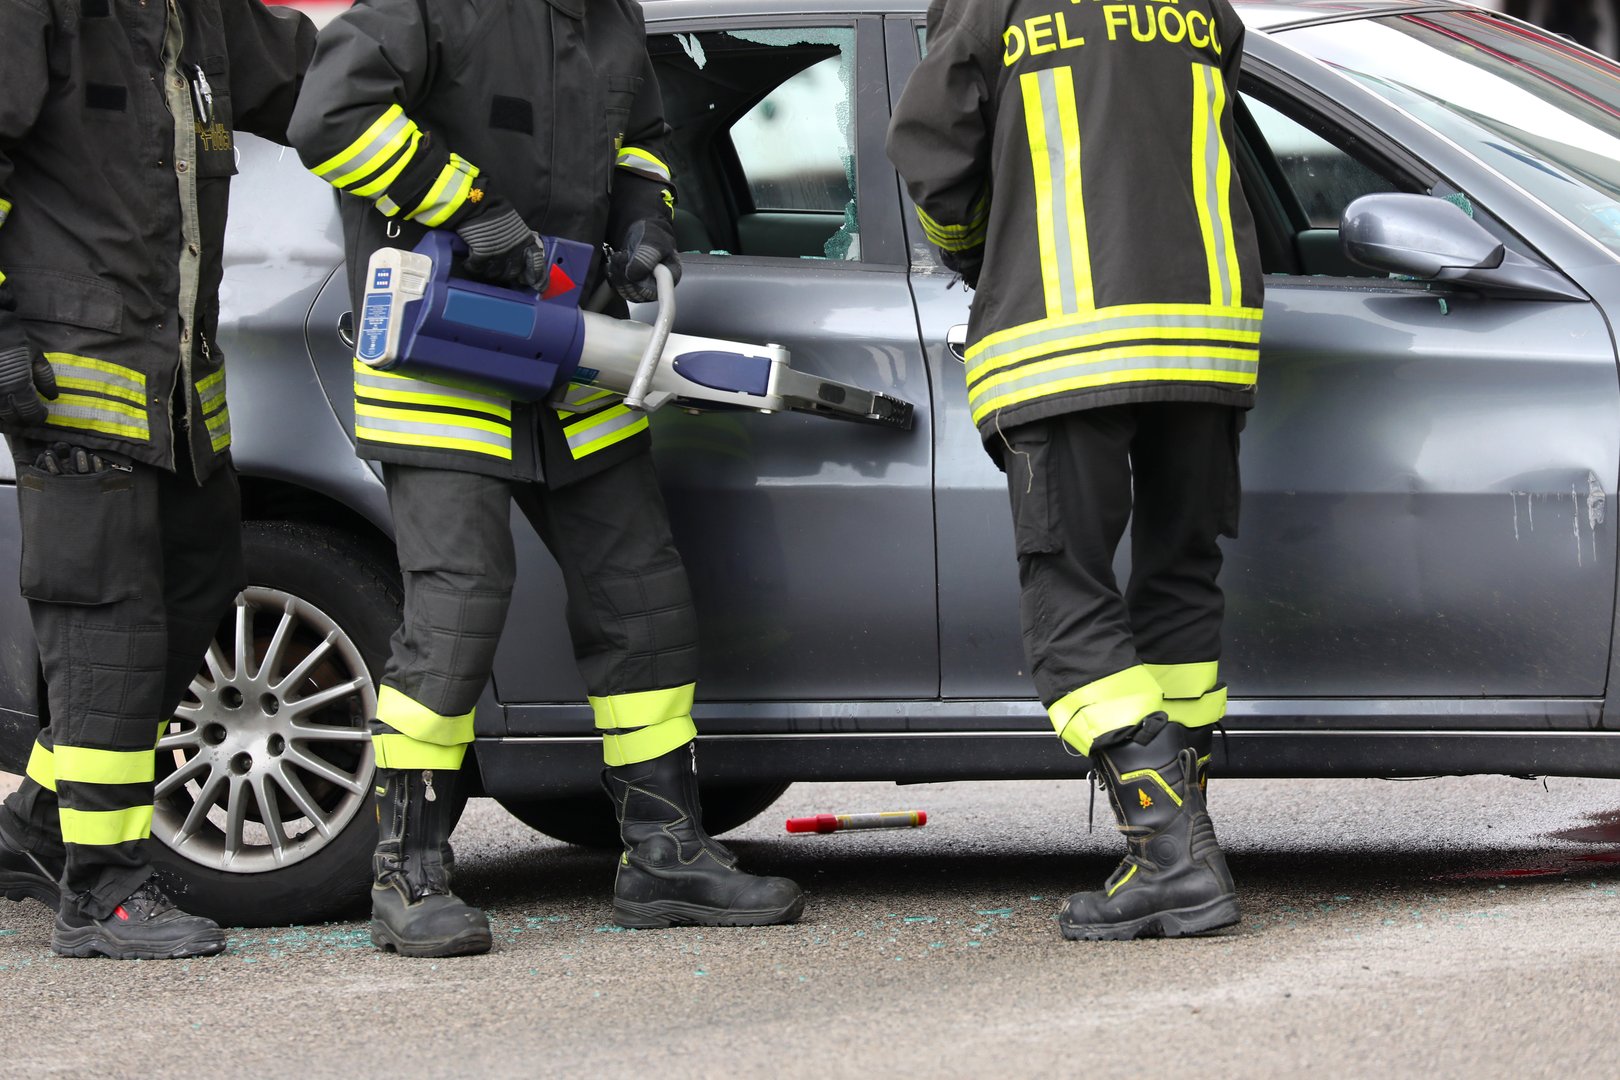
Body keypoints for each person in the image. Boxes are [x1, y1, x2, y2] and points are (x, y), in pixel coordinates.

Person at [287, 0, 804, 958]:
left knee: (640, 597)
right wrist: (469, 207)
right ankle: (408, 870)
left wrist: (647, 218)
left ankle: (662, 853)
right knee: (460, 606)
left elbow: (643, 141)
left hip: (569, 345)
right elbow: (331, 113)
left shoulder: (612, 14)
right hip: (442, 352)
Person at [888, 0, 1262, 940]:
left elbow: (930, 145)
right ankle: (1181, 838)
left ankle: (1173, 854)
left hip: (1068, 343)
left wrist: (984, 255)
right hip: (1206, 337)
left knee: (1070, 598)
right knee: (1181, 582)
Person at [0, 0, 314, 958]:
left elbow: (323, 80)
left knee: (196, 588)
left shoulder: (203, 16)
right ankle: (102, 891)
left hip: (172, 389)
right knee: (109, 622)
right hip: (67, 380)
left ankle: (43, 826)